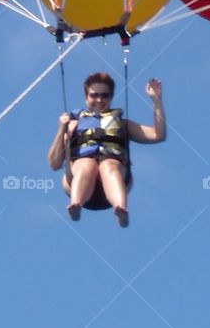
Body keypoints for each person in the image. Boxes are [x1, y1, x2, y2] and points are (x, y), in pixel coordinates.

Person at [47, 72, 165, 227]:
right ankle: (76, 204)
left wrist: (156, 100)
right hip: (76, 178)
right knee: (87, 164)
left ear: (111, 97)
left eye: (104, 96)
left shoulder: (122, 123)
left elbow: (157, 135)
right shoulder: (74, 124)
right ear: (86, 97)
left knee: (109, 164)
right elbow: (54, 164)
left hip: (115, 176)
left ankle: (121, 209)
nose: (99, 100)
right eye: (94, 95)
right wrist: (61, 129)